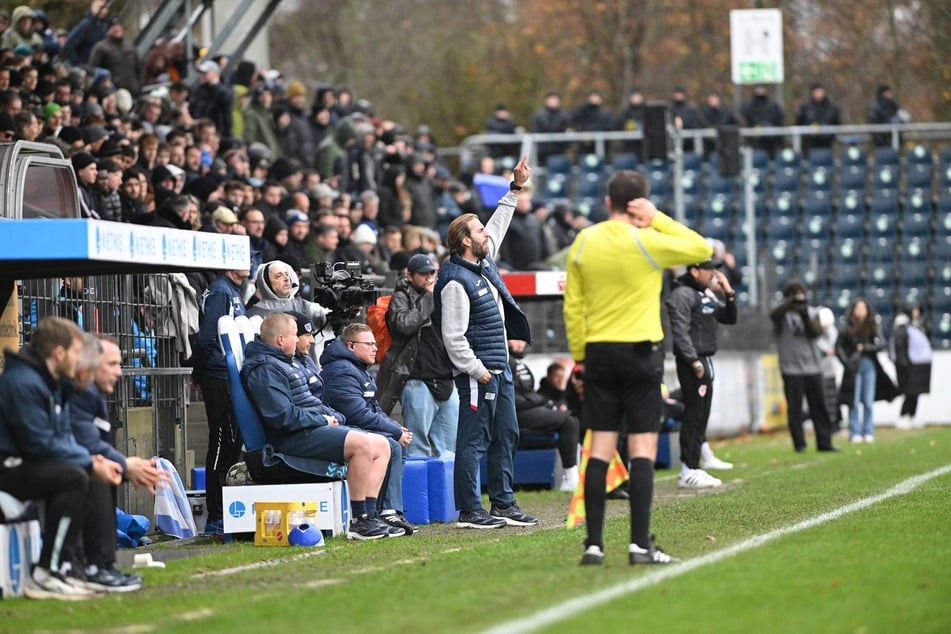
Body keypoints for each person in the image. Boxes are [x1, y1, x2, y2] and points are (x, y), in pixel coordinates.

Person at [564, 169, 711, 566]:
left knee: (600, 448)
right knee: (642, 448)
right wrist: (657, 217)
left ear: (607, 200)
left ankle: (593, 545)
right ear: (638, 203)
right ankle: (638, 545)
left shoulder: (583, 242)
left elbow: (573, 306)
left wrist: (580, 357)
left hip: (598, 352)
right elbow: (700, 249)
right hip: (641, 353)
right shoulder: (646, 241)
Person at [434, 156, 537, 529]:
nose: (486, 234)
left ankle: (503, 504)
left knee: (507, 434)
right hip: (481, 373)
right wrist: (477, 372)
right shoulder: (455, 281)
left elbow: (499, 224)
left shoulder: (480, 263)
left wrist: (515, 188)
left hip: (499, 367)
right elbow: (453, 337)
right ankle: (470, 510)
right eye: (479, 231)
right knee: (474, 441)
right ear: (465, 241)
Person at [0, 317, 124, 600]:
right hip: (7, 467)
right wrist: (89, 462)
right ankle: (47, 571)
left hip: (24, 464)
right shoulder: (24, 384)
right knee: (73, 477)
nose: (81, 359)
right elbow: (39, 444)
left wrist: (92, 461)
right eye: (77, 352)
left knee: (84, 471)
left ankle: (76, 568)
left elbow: (63, 439)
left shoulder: (52, 384)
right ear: (59, 353)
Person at [240, 313, 394, 540]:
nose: (302, 340)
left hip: (310, 429)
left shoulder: (285, 362)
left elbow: (309, 402)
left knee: (382, 445)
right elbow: (281, 416)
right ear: (281, 339)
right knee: (362, 444)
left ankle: (370, 515)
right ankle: (358, 520)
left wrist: (332, 416)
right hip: (291, 439)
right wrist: (322, 420)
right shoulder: (264, 368)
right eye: (295, 335)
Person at [69, 334, 167, 592]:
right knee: (99, 473)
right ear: (89, 363)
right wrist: (126, 465)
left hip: (67, 460)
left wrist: (125, 467)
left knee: (106, 470)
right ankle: (94, 566)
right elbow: (87, 445)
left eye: (119, 364)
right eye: (111, 364)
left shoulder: (94, 393)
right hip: (40, 467)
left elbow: (93, 446)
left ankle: (103, 564)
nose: (119, 372)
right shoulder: (80, 393)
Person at [320, 324, 417, 536]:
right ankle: (377, 512)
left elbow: (374, 409)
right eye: (370, 344)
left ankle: (390, 509)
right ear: (351, 346)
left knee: (397, 439)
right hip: (343, 430)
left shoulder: (358, 369)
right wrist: (393, 431)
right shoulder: (341, 370)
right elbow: (356, 414)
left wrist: (395, 427)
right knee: (391, 443)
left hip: (355, 427)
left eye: (375, 343)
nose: (375, 348)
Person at [666, 253, 737, 488]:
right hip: (693, 362)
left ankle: (694, 466)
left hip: (705, 359)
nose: (713, 274)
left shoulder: (703, 294)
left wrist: (728, 291)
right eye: (708, 270)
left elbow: (729, 317)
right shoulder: (682, 294)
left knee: (701, 415)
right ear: (694, 271)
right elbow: (680, 332)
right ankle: (688, 469)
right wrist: (693, 361)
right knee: (693, 415)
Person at [378, 253, 459, 459]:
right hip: (416, 379)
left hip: (446, 380)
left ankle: (445, 493)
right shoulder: (402, 296)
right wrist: (429, 298)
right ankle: (418, 492)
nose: (429, 278)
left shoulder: (444, 294)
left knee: (449, 451)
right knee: (417, 450)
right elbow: (403, 325)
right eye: (424, 274)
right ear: (410, 275)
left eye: (432, 273)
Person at [192, 265, 249, 539]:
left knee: (231, 443)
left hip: (230, 375)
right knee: (221, 442)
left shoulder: (233, 291)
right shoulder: (220, 292)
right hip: (218, 376)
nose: (248, 263)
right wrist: (199, 372)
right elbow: (207, 338)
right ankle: (216, 516)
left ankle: (226, 512)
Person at [769, 280, 839, 453]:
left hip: (813, 367)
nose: (799, 298)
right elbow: (773, 316)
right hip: (791, 368)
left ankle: (825, 442)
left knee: (819, 407)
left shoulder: (811, 312)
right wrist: (789, 305)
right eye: (795, 295)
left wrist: (805, 315)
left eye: (801, 294)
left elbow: (815, 332)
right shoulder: (782, 315)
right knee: (795, 409)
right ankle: (799, 444)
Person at [507, 339, 580, 492]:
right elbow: (512, 398)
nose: (520, 344)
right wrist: (537, 401)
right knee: (568, 421)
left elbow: (529, 394)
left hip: (528, 410)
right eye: (515, 339)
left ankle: (571, 476)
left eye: (522, 340)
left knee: (571, 420)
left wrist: (538, 401)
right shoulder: (504, 362)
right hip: (515, 415)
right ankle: (570, 478)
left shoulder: (520, 364)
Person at [835, 298, 888, 444]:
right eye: (857, 308)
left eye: (862, 308)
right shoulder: (847, 326)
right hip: (853, 367)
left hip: (869, 364)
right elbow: (838, 346)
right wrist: (846, 362)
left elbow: (882, 343)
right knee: (854, 400)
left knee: (868, 400)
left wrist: (866, 348)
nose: (860, 311)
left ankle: (868, 430)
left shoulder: (872, 325)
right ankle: (855, 431)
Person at [890, 302, 932, 430]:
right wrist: (904, 365)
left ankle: (912, 415)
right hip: (909, 365)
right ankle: (903, 415)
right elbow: (899, 348)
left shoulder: (916, 325)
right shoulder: (902, 327)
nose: (917, 312)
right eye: (914, 310)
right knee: (909, 392)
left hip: (918, 365)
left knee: (916, 392)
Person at [795, 82, 841, 158]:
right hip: (809, 143)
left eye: (821, 91)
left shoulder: (832, 107)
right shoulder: (805, 107)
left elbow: (836, 122)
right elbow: (799, 122)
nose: (819, 94)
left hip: (826, 143)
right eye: (817, 91)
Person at [740, 84, 785, 158]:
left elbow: (779, 120)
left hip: (771, 142)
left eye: (762, 89)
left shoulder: (772, 105)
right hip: (754, 141)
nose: (760, 91)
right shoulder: (749, 105)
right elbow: (744, 116)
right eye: (758, 89)